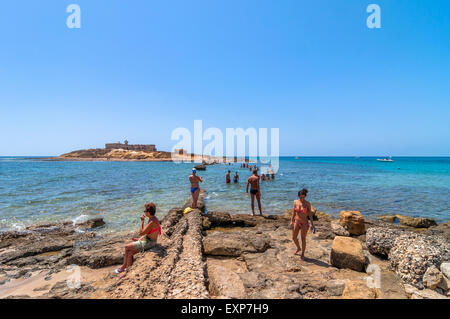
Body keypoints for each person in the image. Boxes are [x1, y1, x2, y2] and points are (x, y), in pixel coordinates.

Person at [115, 203, 161, 275]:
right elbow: (148, 233)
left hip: (149, 243)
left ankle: (123, 267)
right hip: (149, 240)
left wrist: (142, 221)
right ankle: (127, 271)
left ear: (148, 213)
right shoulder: (153, 218)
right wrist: (140, 239)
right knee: (130, 253)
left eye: (144, 211)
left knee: (126, 247)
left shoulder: (152, 222)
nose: (144, 212)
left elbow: (141, 232)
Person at [290, 189, 315, 260]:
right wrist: (291, 221)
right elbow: (293, 212)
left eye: (303, 197)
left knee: (303, 239)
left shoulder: (307, 204)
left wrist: (312, 224)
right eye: (301, 197)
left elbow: (310, 214)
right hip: (297, 222)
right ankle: (298, 248)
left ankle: (303, 253)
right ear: (298, 196)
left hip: (304, 223)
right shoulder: (295, 202)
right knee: (294, 237)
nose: (302, 199)